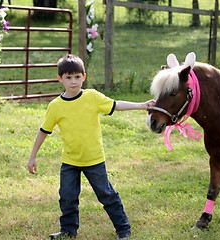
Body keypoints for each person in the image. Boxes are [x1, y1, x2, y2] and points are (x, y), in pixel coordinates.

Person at [27, 54, 155, 240]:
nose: (73, 81)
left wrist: (142, 105)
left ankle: (123, 229)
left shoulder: (92, 97)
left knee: (107, 195)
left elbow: (116, 105)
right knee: (67, 197)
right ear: (59, 79)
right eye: (68, 77)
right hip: (70, 161)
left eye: (77, 77)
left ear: (84, 77)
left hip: (94, 159)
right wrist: (32, 156)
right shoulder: (55, 106)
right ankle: (68, 231)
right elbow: (43, 131)